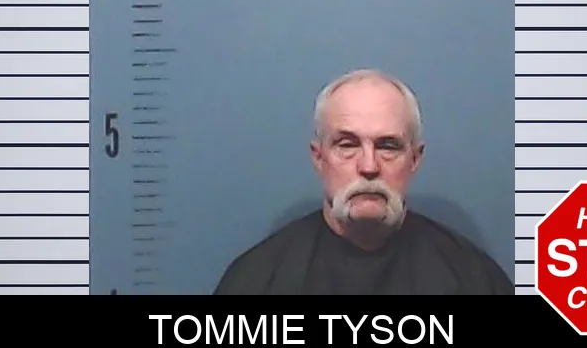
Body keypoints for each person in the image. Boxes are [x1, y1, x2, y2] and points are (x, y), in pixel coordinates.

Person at [213, 68, 513, 295]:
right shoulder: (257, 280)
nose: (369, 166)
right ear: (319, 157)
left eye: (388, 146)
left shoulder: (474, 280)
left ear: (415, 159)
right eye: (347, 145)